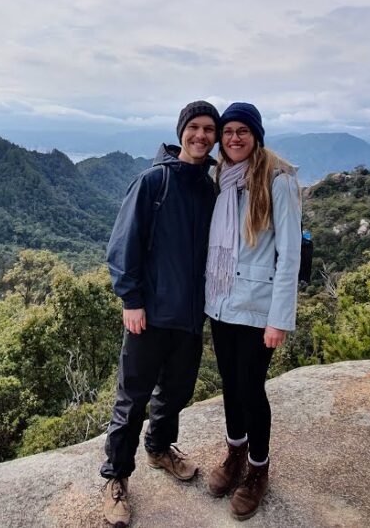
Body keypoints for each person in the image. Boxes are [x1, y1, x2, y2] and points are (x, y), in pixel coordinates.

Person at [100, 100, 220, 528]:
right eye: (194, 127)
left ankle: (158, 448)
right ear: (181, 131)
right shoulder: (154, 181)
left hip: (190, 315)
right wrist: (131, 301)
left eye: (209, 129)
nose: (201, 136)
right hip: (149, 314)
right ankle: (116, 478)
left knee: (177, 391)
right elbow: (123, 245)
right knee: (132, 399)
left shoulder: (210, 189)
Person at [203, 102, 300, 521]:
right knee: (230, 383)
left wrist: (279, 319)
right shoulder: (220, 177)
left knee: (250, 388)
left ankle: (258, 468)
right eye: (228, 132)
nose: (234, 138)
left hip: (258, 307)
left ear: (256, 136)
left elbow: (290, 254)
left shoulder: (278, 180)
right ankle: (235, 453)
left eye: (242, 131)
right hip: (221, 302)